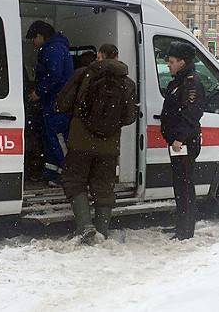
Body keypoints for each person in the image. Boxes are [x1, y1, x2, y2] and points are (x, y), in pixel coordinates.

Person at [57, 44, 137, 244]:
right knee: (103, 186)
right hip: (109, 146)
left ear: (99, 56)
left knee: (74, 180)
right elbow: (129, 117)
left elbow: (62, 103)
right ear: (117, 56)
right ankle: (102, 232)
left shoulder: (83, 74)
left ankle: (85, 226)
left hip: (80, 142)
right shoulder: (127, 83)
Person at [160, 41, 206, 241]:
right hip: (177, 143)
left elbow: (191, 114)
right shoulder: (178, 81)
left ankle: (186, 230)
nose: (168, 65)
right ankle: (181, 225)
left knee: (185, 186)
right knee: (179, 184)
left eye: (171, 61)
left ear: (182, 61)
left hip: (184, 143)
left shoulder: (191, 83)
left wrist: (179, 138)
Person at [26, 20, 74, 186]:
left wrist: (38, 92)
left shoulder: (52, 49)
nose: (33, 43)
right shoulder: (56, 47)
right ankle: (51, 173)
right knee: (51, 138)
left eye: (33, 39)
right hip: (53, 102)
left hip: (56, 103)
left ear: (40, 36)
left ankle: (68, 174)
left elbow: (54, 75)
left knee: (57, 138)